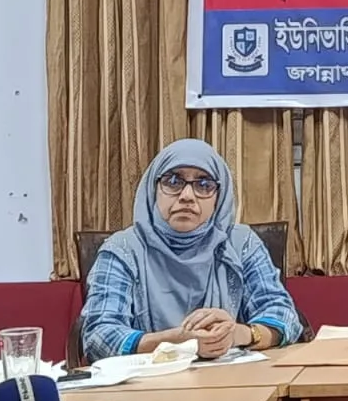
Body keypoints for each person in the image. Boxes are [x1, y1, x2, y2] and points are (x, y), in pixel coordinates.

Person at [79, 139, 302, 362]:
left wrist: (238, 334)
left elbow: (284, 317)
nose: (187, 196)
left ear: (219, 197)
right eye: (173, 181)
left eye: (203, 185)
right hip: (148, 380)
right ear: (154, 189)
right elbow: (99, 337)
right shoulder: (123, 250)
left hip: (232, 376)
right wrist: (176, 342)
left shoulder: (241, 243)